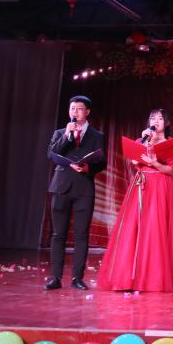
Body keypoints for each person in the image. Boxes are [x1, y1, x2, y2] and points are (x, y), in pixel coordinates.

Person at [97, 109, 173, 292]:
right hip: (141, 185)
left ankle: (153, 278)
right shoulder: (142, 139)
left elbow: (171, 170)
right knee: (134, 227)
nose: (155, 121)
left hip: (160, 186)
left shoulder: (171, 144)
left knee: (156, 228)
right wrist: (143, 144)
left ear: (166, 123)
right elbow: (134, 162)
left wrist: (154, 163)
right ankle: (130, 278)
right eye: (152, 118)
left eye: (160, 119)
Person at [44, 95, 107, 291]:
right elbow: (51, 154)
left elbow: (102, 163)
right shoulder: (60, 132)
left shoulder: (97, 136)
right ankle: (55, 278)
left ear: (87, 112)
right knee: (58, 234)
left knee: (81, 235)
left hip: (84, 188)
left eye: (79, 109)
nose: (75, 112)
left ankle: (77, 278)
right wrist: (66, 135)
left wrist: (89, 168)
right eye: (72, 108)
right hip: (61, 187)